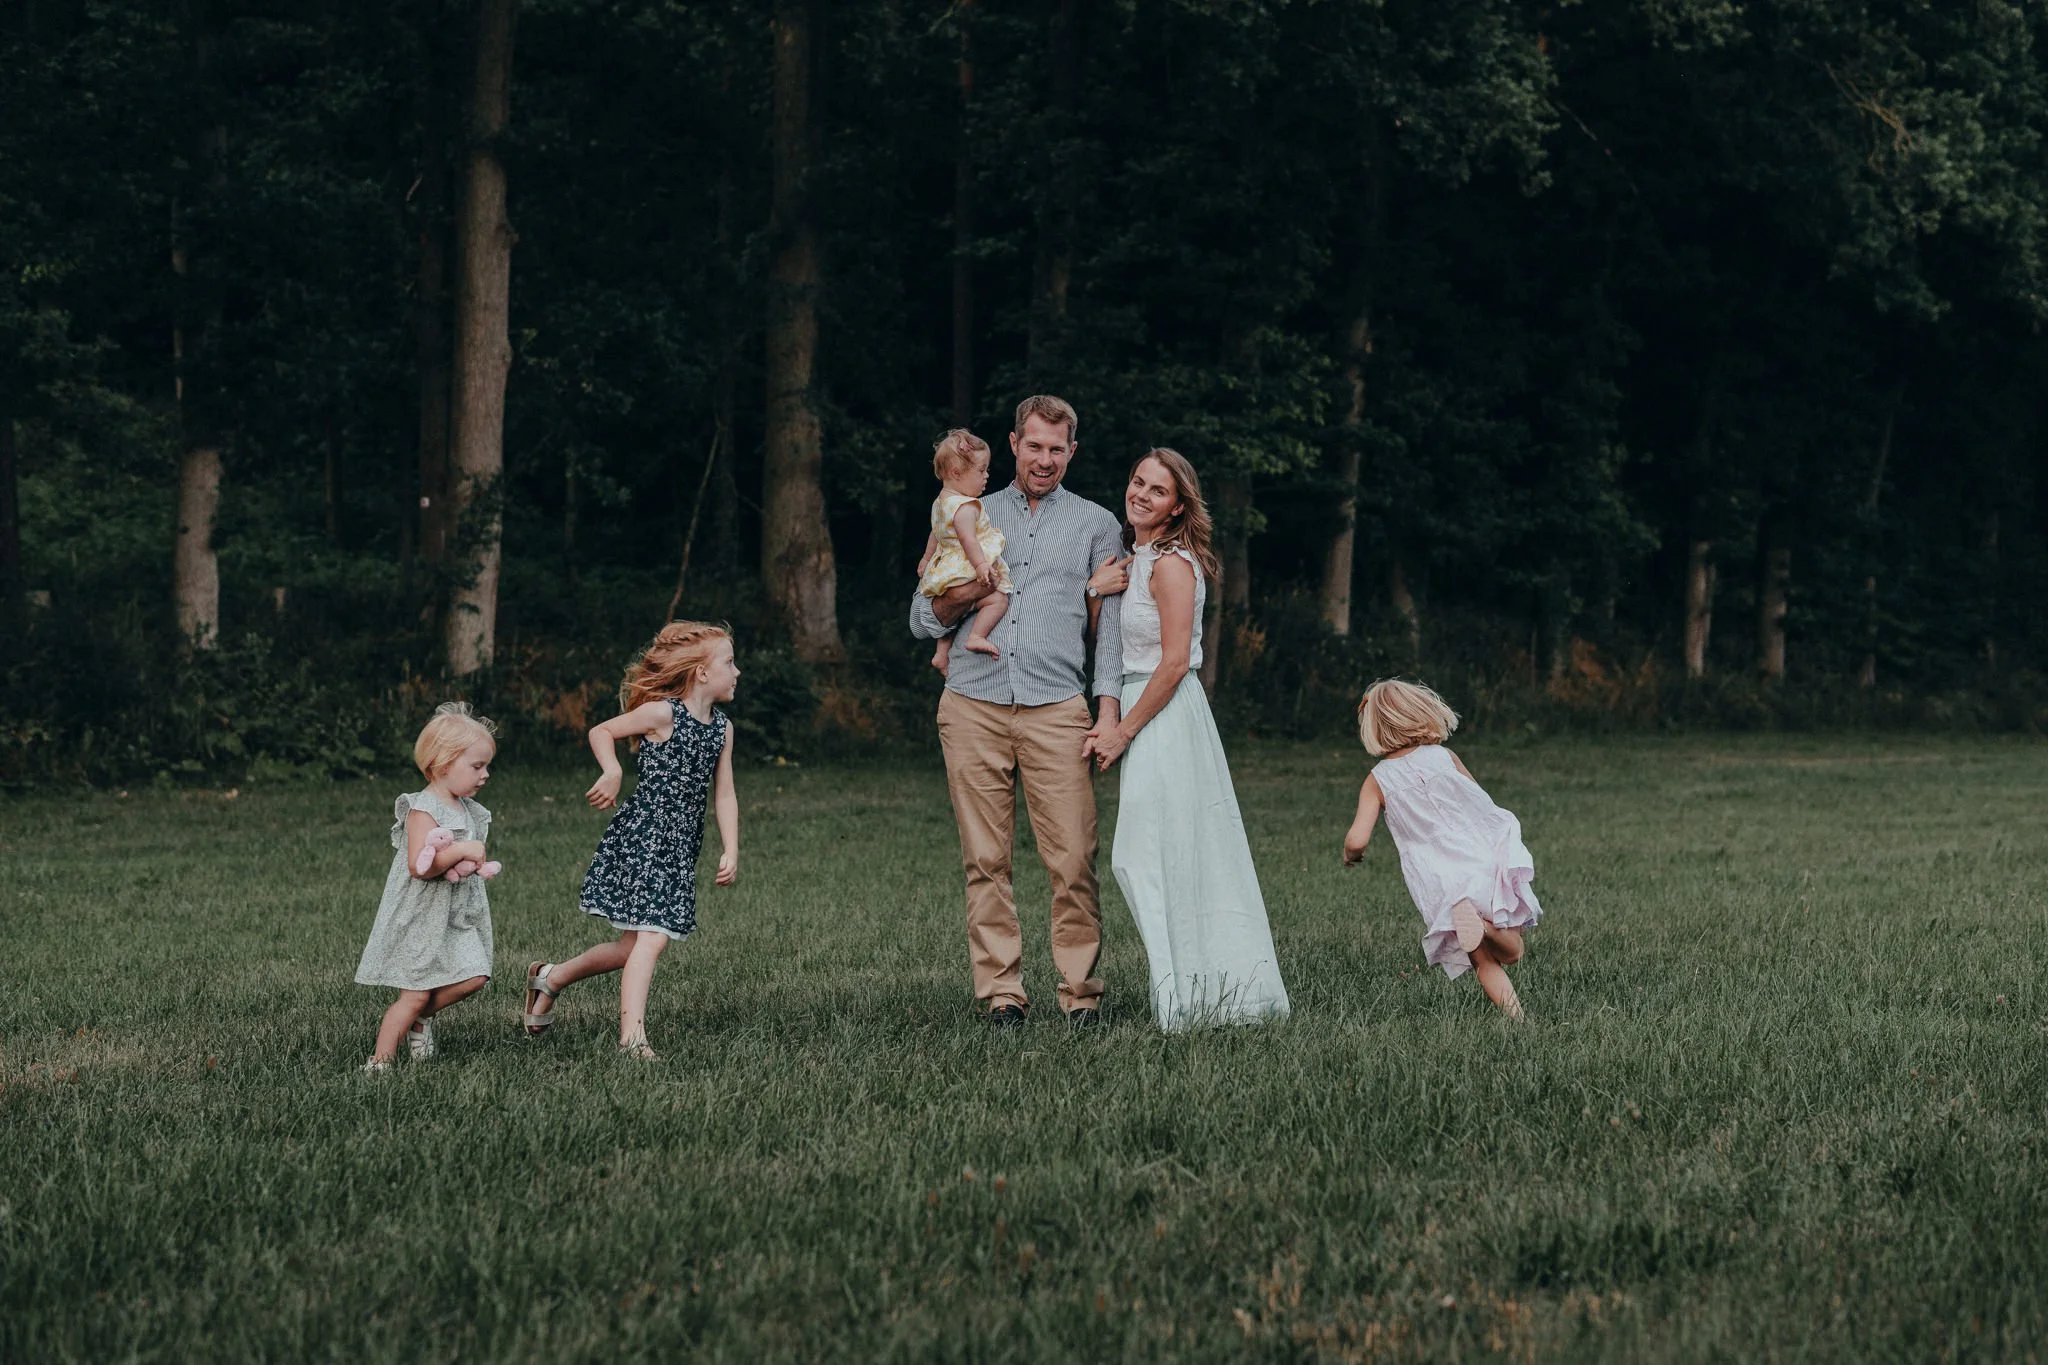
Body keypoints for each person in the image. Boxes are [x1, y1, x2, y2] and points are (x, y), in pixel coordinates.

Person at [910, 394, 1132, 1028]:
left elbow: (1107, 628)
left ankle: (1080, 994)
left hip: (1057, 708)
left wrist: (1107, 711)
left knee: (1073, 859)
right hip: (972, 703)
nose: (1044, 459)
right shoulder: (967, 510)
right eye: (1033, 445)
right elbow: (922, 614)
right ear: (1012, 444)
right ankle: (1002, 994)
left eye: (1056, 449)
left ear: (1072, 453)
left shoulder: (1096, 524)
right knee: (986, 860)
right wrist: (972, 593)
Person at [1085, 448, 1290, 1030]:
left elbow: (1174, 663)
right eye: (1137, 482)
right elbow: (1111, 644)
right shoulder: (1135, 558)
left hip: (1165, 715)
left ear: (1178, 508)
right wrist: (1095, 592)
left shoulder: (1172, 564)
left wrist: (1123, 731)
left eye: (1157, 491)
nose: (1141, 495)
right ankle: (1184, 996)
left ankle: (1198, 997)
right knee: (1153, 855)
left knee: (1157, 855)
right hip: (1138, 708)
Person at [521, 622, 740, 1059]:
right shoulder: (663, 714)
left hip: (680, 848)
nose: (737, 672)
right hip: (642, 837)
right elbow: (601, 731)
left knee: (629, 948)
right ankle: (632, 1039)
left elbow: (725, 793)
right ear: (700, 672)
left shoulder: (722, 730)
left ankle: (550, 977)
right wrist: (612, 770)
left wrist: (731, 847)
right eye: (729, 663)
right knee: (653, 939)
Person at [1342, 678, 1541, 1020]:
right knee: (1512, 950)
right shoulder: (1444, 757)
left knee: (1483, 960)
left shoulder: (1377, 780)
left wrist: (1352, 855)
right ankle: (1488, 928)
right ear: (1421, 712)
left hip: (1439, 878)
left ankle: (1517, 1019)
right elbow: (1479, 801)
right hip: (1478, 858)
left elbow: (1357, 839)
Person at [354, 702, 499, 1073]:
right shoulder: (423, 809)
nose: (485, 775)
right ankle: (380, 1061)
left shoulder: (466, 807)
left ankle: (421, 1018)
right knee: (414, 992)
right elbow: (420, 867)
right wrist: (462, 850)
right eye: (477, 766)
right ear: (443, 763)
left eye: (487, 766)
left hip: (457, 912)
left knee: (476, 975)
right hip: (422, 914)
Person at [916, 428, 1015, 676]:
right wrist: (982, 566)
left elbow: (936, 534)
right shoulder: (966, 507)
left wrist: (926, 559)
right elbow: (969, 540)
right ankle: (976, 636)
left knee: (957, 611)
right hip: (967, 567)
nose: (987, 476)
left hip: (945, 569)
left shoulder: (941, 503)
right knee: (998, 599)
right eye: (981, 471)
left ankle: (941, 653)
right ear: (956, 473)